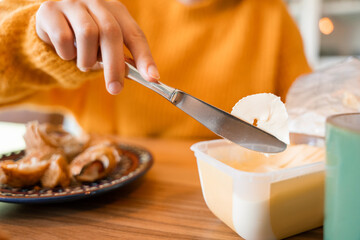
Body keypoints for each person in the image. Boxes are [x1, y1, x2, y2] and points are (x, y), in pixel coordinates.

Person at [0, 0, 311, 138]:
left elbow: (306, 118)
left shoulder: (272, 15)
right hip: (102, 206)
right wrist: (32, 41)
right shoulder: (98, 6)